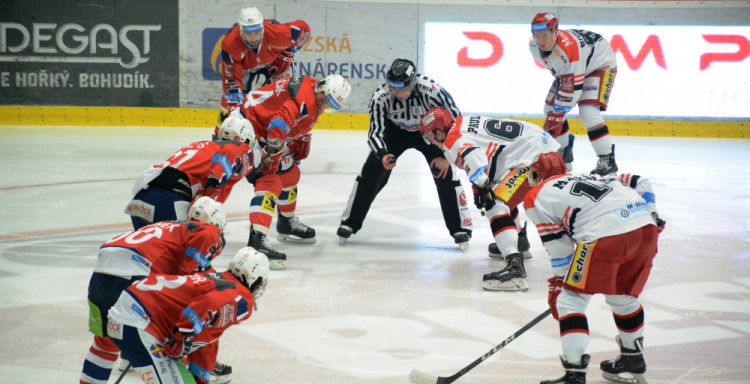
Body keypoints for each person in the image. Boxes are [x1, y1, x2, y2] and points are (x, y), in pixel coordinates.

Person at [523, 152, 666, 384]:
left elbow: (560, 249)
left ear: (538, 175)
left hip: (607, 235)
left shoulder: (536, 196)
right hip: (645, 229)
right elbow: (641, 181)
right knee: (623, 296)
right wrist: (653, 213)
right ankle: (633, 358)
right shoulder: (593, 174)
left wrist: (559, 284)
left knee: (571, 301)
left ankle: (573, 379)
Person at [72, 197, 227, 384]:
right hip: (136, 275)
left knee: (105, 340)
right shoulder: (207, 230)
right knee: (173, 343)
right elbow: (192, 273)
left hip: (102, 272)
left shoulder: (167, 227)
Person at [106, 247, 270, 384]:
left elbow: (206, 340)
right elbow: (205, 306)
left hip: (129, 314)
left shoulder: (220, 279)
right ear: (254, 277)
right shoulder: (241, 298)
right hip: (138, 321)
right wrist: (182, 336)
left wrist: (200, 380)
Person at [419, 108, 562, 291]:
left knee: (495, 204)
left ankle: (514, 266)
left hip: (538, 160)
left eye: (430, 136)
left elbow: (474, 159)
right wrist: (482, 186)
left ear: (439, 132)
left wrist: (482, 187)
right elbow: (488, 158)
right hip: (544, 152)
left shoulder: (451, 139)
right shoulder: (461, 124)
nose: (430, 142)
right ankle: (519, 241)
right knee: (499, 192)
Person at [337, 58, 473, 249]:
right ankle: (349, 222)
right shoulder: (380, 96)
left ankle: (460, 228)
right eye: (393, 87)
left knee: (444, 173)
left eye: (402, 88)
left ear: (413, 83)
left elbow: (456, 122)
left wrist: (445, 155)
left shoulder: (432, 91)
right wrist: (382, 154)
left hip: (429, 133)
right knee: (373, 170)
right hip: (395, 134)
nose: (397, 93)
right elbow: (375, 132)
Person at [230, 74, 351, 269]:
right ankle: (257, 239)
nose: (324, 105)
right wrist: (275, 155)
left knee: (290, 174)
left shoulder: (314, 93)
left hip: (261, 130)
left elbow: (285, 122)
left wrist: (293, 142)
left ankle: (286, 223)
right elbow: (278, 125)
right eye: (324, 99)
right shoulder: (304, 99)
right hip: (245, 129)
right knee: (269, 180)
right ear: (321, 88)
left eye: (330, 105)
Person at [125, 115, 273, 231]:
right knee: (180, 256)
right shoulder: (239, 147)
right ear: (244, 138)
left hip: (140, 198)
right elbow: (222, 167)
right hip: (170, 200)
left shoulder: (200, 145)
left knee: (147, 255)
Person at [529, 12, 619, 176]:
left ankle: (607, 160)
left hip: (599, 66)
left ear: (555, 32)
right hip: (573, 68)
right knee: (550, 110)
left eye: (544, 35)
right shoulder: (533, 45)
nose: (540, 40)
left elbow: (574, 89)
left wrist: (558, 114)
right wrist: (555, 113)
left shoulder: (569, 50)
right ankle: (564, 154)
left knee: (588, 113)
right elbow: (564, 74)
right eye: (537, 35)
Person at [219, 6, 310, 115]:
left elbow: (304, 30)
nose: (254, 39)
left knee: (288, 94)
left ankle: (290, 126)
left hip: (276, 62)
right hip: (245, 67)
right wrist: (235, 113)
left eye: (257, 32)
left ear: (262, 28)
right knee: (231, 100)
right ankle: (222, 127)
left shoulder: (277, 33)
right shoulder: (230, 44)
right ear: (241, 32)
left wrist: (286, 55)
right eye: (249, 34)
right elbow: (232, 82)